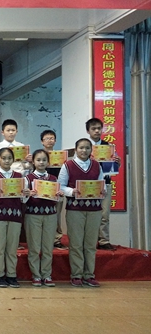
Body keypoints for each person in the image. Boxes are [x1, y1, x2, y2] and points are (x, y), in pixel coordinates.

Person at [58, 138, 106, 287]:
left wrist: (102, 191)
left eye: (87, 148)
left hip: (94, 210)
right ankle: (76, 275)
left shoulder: (97, 165)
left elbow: (102, 184)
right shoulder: (68, 165)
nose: (84, 151)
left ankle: (89, 275)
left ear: (91, 150)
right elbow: (60, 186)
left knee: (91, 244)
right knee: (76, 243)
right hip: (75, 209)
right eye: (81, 148)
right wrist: (72, 191)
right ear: (76, 149)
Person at [0, 147, 30, 288]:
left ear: (13, 160)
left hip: (15, 216)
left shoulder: (20, 177)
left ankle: (11, 275)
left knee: (12, 247)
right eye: (3, 158)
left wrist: (26, 194)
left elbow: (23, 200)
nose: (6, 161)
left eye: (9, 158)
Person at [24, 149, 63, 287]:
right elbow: (22, 199)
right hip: (33, 215)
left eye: (44, 160)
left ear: (48, 162)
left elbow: (57, 199)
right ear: (33, 162)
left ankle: (46, 274)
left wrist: (59, 195)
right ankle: (36, 275)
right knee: (34, 246)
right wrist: (28, 194)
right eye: (38, 160)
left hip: (50, 215)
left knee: (47, 247)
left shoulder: (53, 179)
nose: (41, 162)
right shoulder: (28, 178)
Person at [86, 118, 121, 250]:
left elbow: (114, 168)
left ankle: (104, 241)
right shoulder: (84, 146)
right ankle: (89, 241)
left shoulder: (108, 146)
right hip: (88, 184)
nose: (96, 131)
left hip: (105, 183)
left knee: (104, 214)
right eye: (93, 128)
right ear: (88, 131)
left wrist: (117, 162)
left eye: (99, 128)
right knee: (88, 214)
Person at [40, 130, 66, 250]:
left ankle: (56, 239)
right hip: (41, 189)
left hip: (56, 189)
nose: (49, 141)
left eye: (52, 138)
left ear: (55, 141)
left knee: (56, 215)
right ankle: (43, 239)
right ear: (42, 142)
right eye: (47, 138)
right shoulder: (38, 156)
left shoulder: (60, 156)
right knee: (42, 215)